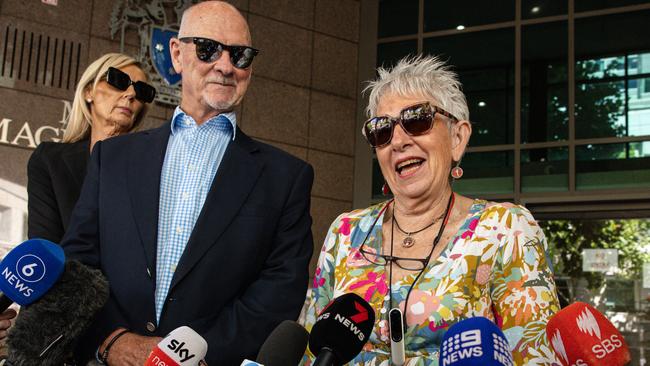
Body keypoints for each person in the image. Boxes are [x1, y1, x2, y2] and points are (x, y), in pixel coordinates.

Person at [61, 1, 314, 365]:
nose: (226, 66)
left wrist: (185, 356)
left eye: (240, 55)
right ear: (177, 55)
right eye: (208, 49)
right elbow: (78, 264)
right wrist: (113, 340)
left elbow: (279, 291)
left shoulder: (286, 177)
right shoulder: (112, 157)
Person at [300, 56, 561, 365]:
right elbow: (309, 351)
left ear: (457, 138)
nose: (398, 141)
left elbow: (536, 357)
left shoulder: (505, 228)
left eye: (417, 120)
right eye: (382, 129)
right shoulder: (345, 231)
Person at [27, 52, 155, 243]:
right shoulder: (49, 161)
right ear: (89, 91)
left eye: (142, 90)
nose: (131, 94)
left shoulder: (151, 170)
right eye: (119, 80)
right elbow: (44, 246)